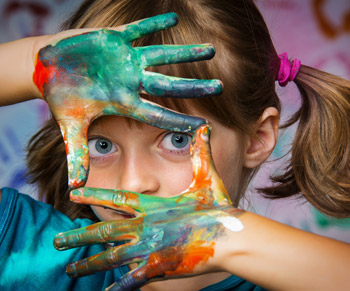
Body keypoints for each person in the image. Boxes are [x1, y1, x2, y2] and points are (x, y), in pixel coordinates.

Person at [0, 0, 349, 290]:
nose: (133, 182)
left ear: (257, 139)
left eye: (176, 139)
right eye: (102, 145)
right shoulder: (24, 254)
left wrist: (228, 236)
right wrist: (38, 63)